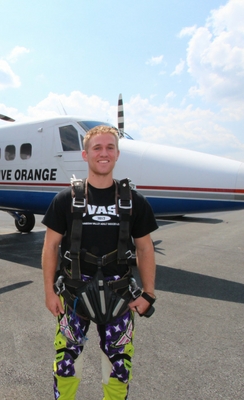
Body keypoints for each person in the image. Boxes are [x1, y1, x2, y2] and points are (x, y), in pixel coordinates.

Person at [41, 125, 158, 399]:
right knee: (65, 365)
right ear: (85, 154)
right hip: (73, 295)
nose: (103, 153)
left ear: (117, 154)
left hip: (120, 296)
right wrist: (49, 292)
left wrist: (149, 293)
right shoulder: (65, 199)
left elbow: (145, 248)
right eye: (97, 148)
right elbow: (50, 247)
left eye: (109, 148)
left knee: (120, 368)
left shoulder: (135, 201)